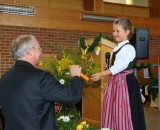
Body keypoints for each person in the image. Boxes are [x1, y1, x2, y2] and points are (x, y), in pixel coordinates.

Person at [0, 35, 83, 130]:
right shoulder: (41, 77)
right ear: (30, 52)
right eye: (39, 48)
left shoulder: (4, 78)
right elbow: (72, 96)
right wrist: (76, 76)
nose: (41, 52)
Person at [91, 18, 146, 130]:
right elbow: (115, 66)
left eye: (117, 31)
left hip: (124, 83)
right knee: (113, 110)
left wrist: (102, 74)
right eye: (113, 31)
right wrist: (109, 68)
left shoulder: (128, 48)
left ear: (127, 32)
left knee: (123, 109)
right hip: (116, 82)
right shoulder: (116, 48)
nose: (115, 34)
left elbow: (120, 66)